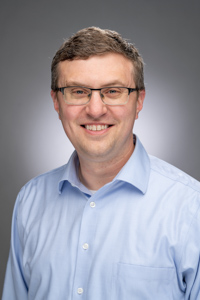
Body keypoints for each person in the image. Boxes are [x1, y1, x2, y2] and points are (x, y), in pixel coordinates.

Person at [2, 27, 200, 300]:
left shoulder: (191, 209)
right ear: (56, 102)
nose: (95, 109)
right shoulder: (30, 201)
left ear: (139, 100)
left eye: (113, 91)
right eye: (78, 91)